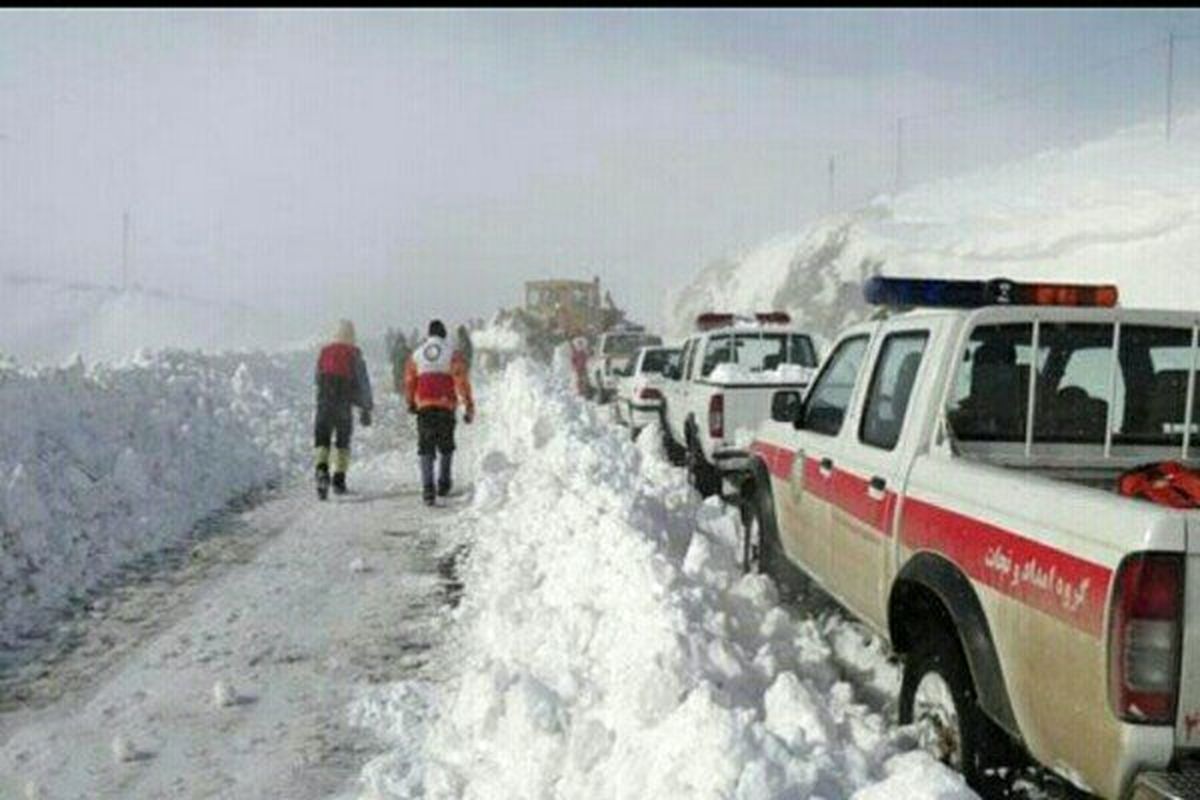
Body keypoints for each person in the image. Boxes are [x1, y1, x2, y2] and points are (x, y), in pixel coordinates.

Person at [405, 319, 475, 506]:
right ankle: (443, 482)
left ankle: (428, 488)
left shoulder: (417, 354)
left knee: (425, 447)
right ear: (444, 335)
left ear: (429, 335)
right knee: (446, 445)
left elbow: (410, 380)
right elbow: (461, 381)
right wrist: (468, 406)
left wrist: (411, 402)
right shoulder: (452, 353)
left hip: (425, 406)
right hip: (446, 405)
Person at [314, 319, 373, 500]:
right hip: (343, 404)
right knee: (342, 441)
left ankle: (322, 470)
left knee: (322, 439)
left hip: (324, 402)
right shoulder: (354, 354)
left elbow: (317, 377)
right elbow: (363, 383)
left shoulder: (324, 352)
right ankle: (339, 480)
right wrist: (366, 407)